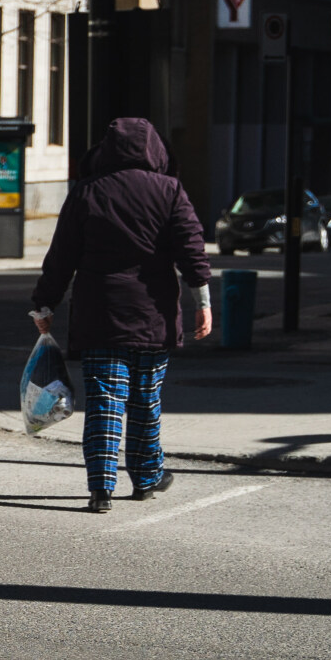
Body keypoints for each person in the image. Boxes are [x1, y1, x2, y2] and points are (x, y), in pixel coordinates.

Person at [30, 117, 213, 513]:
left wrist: (45, 305)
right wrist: (204, 302)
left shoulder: (87, 192)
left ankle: (100, 489)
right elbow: (192, 249)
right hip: (154, 314)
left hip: (100, 316)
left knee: (104, 402)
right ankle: (146, 478)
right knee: (146, 401)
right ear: (155, 151)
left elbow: (62, 256)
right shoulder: (169, 190)